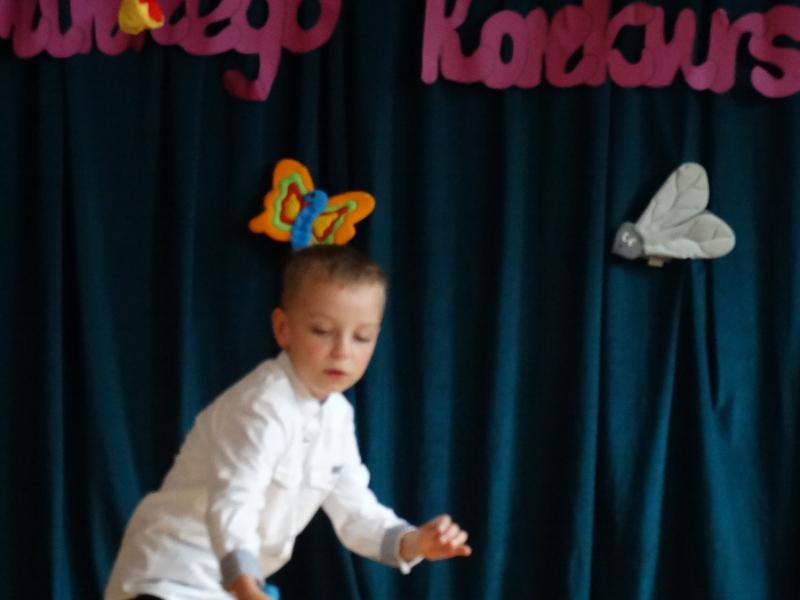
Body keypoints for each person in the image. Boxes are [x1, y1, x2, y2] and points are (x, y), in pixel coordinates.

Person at [105, 244, 472, 600]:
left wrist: (414, 542)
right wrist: (246, 588)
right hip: (169, 576)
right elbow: (234, 502)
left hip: (231, 586)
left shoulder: (337, 415)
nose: (342, 351)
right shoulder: (262, 406)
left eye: (362, 337)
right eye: (322, 331)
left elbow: (355, 510)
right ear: (283, 328)